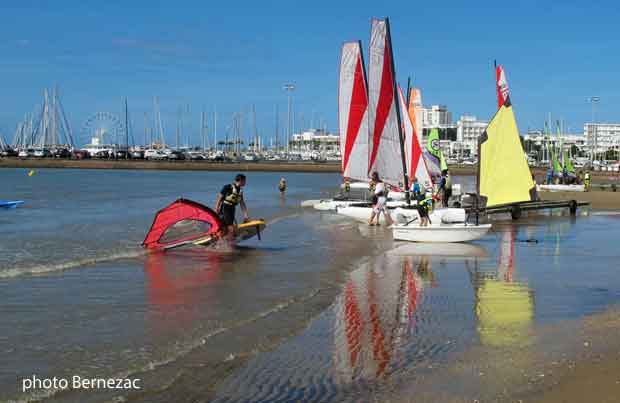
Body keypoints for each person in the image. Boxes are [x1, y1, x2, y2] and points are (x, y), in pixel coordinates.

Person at [215, 174, 249, 238]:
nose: (245, 182)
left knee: (225, 227)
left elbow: (242, 203)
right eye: (244, 181)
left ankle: (221, 240)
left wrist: (245, 215)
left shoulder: (240, 191)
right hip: (225, 208)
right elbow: (219, 198)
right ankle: (229, 244)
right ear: (240, 180)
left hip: (232, 209)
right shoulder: (228, 187)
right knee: (231, 227)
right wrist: (216, 209)